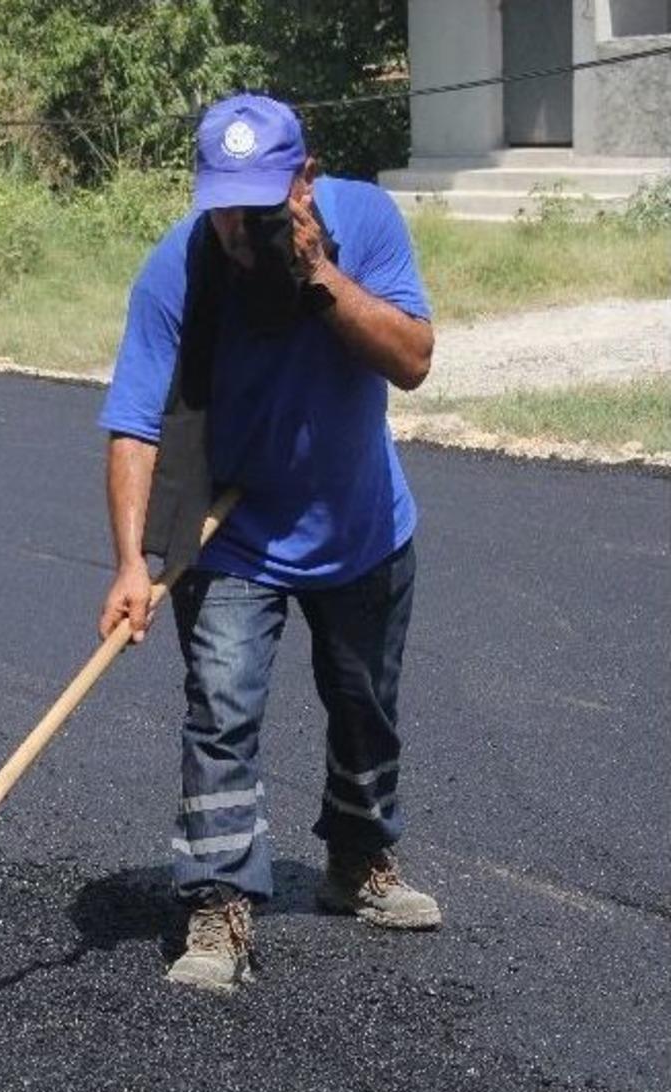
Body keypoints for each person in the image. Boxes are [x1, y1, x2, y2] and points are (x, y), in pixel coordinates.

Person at [97, 93, 442, 995]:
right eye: (224, 208)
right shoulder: (176, 269)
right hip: (231, 535)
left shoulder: (366, 221)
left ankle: (358, 862)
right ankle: (218, 903)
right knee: (221, 713)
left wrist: (318, 274)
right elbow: (134, 423)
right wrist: (132, 561)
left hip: (361, 525)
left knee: (365, 706)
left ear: (304, 181)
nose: (239, 229)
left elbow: (412, 359)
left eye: (258, 208)